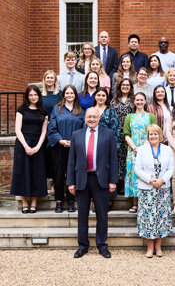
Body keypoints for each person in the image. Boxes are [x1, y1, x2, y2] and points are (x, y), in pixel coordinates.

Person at [66, 107, 118, 259]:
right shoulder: (76, 135)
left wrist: (113, 181)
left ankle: (102, 245)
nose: (92, 119)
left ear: (99, 118)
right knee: (82, 215)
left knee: (102, 215)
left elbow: (113, 159)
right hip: (82, 179)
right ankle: (83, 246)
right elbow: (71, 161)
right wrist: (70, 182)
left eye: (94, 117)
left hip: (100, 179)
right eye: (89, 117)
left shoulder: (108, 134)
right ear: (85, 118)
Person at [135, 125, 174, 258]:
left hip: (162, 189)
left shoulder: (167, 150)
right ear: (148, 135)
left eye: (156, 134)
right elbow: (137, 169)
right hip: (147, 189)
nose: (153, 136)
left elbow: (171, 169)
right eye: (151, 134)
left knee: (161, 218)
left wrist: (162, 180)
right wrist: (150, 180)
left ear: (160, 135)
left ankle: (158, 247)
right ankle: (149, 248)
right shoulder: (142, 150)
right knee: (148, 218)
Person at [10, 85, 48, 213]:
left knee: (37, 173)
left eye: (35, 95)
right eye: (31, 95)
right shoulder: (22, 109)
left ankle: (34, 203)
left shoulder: (43, 111)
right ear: (27, 96)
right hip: (22, 144)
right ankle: (24, 202)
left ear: (39, 96)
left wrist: (37, 147)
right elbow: (17, 130)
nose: (33, 97)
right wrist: (26, 146)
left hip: (38, 144)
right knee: (22, 172)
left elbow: (44, 132)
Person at [47, 85, 84, 213]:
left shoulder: (80, 110)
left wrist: (74, 141)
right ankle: (58, 201)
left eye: (71, 93)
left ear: (75, 95)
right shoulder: (57, 109)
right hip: (59, 146)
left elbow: (84, 128)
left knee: (72, 174)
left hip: (75, 147)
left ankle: (70, 201)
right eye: (67, 93)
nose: (69, 95)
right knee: (58, 174)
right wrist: (61, 140)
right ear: (64, 95)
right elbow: (51, 128)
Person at [124, 92, 157, 213]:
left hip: (148, 148)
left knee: (147, 173)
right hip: (133, 151)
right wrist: (134, 148)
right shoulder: (129, 117)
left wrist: (143, 147)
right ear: (134, 101)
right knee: (134, 175)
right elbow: (126, 134)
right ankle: (135, 204)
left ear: (145, 101)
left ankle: (147, 202)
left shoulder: (150, 116)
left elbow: (154, 132)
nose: (139, 102)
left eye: (141, 100)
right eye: (137, 100)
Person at [93, 87, 119, 209]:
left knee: (107, 171)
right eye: (98, 95)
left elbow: (115, 129)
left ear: (106, 97)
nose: (101, 97)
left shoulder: (111, 111)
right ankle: (95, 200)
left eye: (103, 95)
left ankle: (107, 199)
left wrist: (115, 146)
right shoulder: (91, 110)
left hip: (107, 145)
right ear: (95, 96)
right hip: (92, 145)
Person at [111, 78, 134, 195]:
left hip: (130, 133)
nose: (125, 87)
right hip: (116, 133)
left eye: (127, 85)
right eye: (123, 85)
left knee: (127, 159)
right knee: (117, 159)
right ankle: (118, 183)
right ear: (119, 86)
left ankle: (126, 184)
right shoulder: (114, 100)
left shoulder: (134, 100)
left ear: (130, 87)